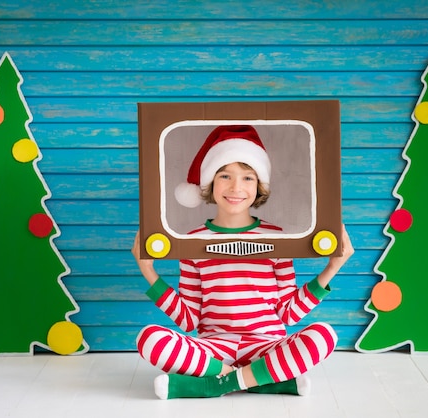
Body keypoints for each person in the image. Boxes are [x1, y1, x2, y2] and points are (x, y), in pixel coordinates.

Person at [131, 125, 354, 400]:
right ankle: (260, 380)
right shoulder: (191, 240)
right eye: (225, 175)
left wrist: (332, 268)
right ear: (210, 183)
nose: (236, 187)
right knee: (149, 338)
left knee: (323, 335)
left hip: (266, 347)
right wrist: (148, 271)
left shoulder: (277, 238)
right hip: (213, 350)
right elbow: (188, 319)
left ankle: (217, 384)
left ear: (259, 186)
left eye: (248, 178)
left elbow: (288, 314)